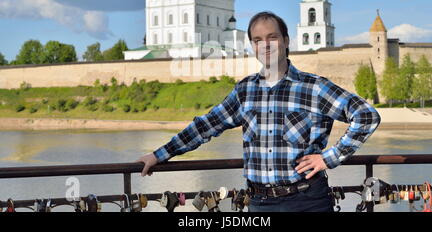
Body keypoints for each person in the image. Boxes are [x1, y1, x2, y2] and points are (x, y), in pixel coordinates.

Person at [136, 11, 381, 212]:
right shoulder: (245, 91)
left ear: (286, 41)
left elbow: (366, 116)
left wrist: (328, 158)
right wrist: (159, 155)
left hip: (307, 201)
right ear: (252, 46)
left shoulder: (314, 88)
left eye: (272, 37)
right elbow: (206, 126)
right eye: (257, 40)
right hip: (260, 203)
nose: (265, 45)